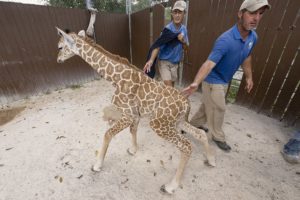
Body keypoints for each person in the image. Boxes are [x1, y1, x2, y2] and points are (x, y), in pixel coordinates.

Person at [181, 0, 271, 152]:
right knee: (219, 108)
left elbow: (247, 57)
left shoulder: (253, 37)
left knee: (206, 107)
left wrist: (249, 77)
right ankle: (218, 137)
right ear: (240, 14)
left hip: (224, 80)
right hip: (212, 80)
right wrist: (196, 83)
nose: (256, 18)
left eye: (260, 14)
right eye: (252, 13)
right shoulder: (225, 40)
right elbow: (208, 63)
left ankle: (189, 125)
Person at [143, 0, 189, 87]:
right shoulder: (167, 30)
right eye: (175, 12)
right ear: (172, 14)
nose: (177, 15)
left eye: (180, 12)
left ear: (184, 14)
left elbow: (186, 48)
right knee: (170, 88)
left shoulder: (184, 30)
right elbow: (157, 45)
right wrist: (151, 60)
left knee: (172, 86)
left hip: (175, 63)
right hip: (164, 62)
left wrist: (183, 41)